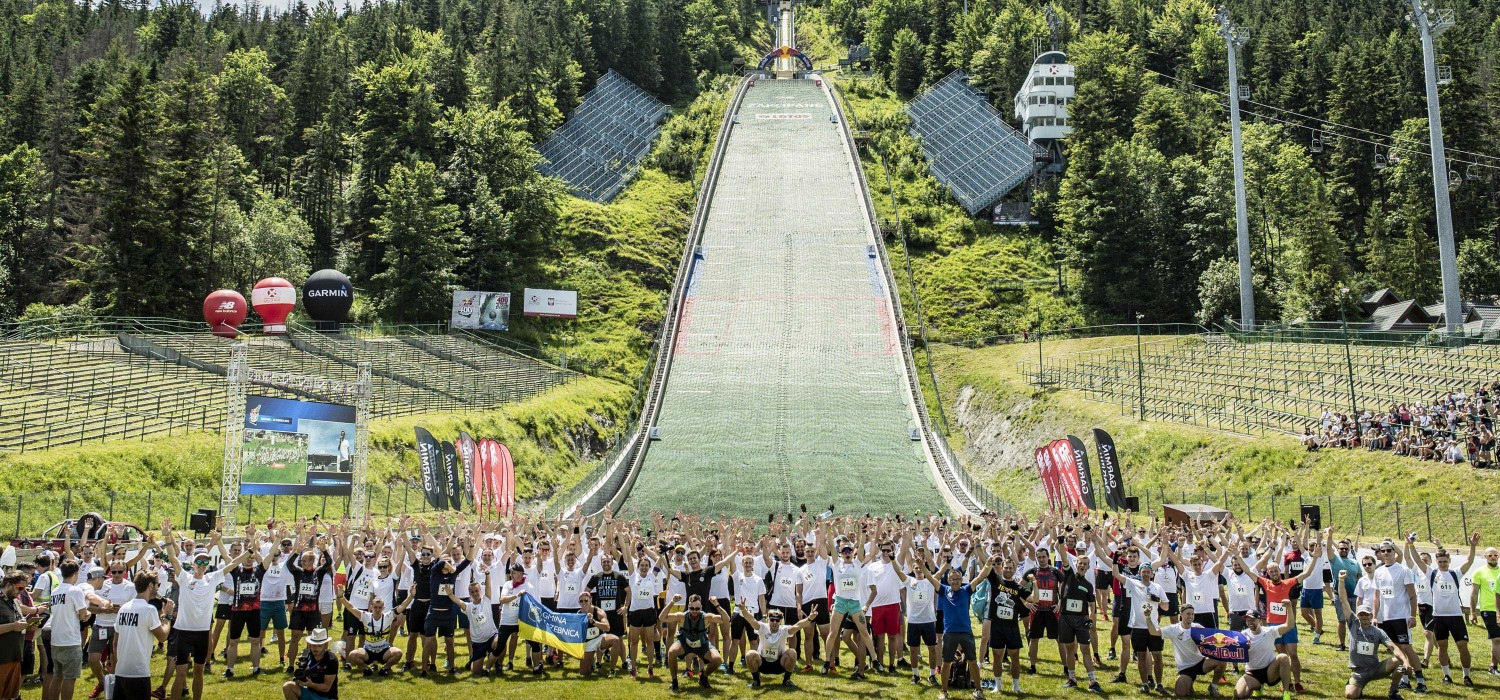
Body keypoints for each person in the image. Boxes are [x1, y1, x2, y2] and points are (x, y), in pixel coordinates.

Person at [164, 527, 245, 700]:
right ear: (193, 564)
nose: (201, 565)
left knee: (199, 671)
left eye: (204, 563)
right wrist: (166, 535)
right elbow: (172, 558)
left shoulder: (213, 578)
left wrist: (251, 549)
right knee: (181, 672)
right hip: (184, 632)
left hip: (202, 633)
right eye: (198, 562)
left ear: (207, 565)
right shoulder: (185, 577)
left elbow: (233, 564)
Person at [1410, 534, 1479, 685]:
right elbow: (1416, 560)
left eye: (1445, 561)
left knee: (1462, 646)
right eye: (1440, 562)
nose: (1442, 564)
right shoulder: (1432, 573)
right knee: (1442, 646)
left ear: (1449, 561)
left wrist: (1473, 546)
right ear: (1436, 562)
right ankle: (1446, 675)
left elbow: (1469, 561)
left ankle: (1466, 676)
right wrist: (1411, 545)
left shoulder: (1455, 573)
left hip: (1455, 616)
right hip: (1439, 617)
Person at [1337, 584, 1414, 700]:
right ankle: (1357, 686)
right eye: (1361, 614)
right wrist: (1341, 580)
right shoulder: (1353, 624)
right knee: (1350, 695)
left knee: (1398, 661)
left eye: (1366, 614)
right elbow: (1343, 601)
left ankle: (1393, 691)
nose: (1363, 617)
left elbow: (1393, 647)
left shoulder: (1378, 632)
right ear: (1357, 616)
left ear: (1371, 615)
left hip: (1375, 668)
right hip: (1359, 671)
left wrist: (1406, 662)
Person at [926, 557, 988, 700]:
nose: (955, 581)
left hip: (966, 632)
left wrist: (988, 564)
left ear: (961, 579)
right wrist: (920, 564)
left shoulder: (967, 590)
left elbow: (980, 577)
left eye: (957, 579)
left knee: (972, 661)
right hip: (949, 633)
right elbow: (929, 577)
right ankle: (944, 691)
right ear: (948, 580)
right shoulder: (943, 590)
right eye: (952, 579)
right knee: (946, 663)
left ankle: (978, 690)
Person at [1371, 538, 1424, 692]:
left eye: (1389, 550)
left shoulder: (1403, 570)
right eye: (1383, 551)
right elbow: (1377, 596)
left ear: (1394, 552)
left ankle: (1421, 681)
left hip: (1401, 616)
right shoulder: (1378, 572)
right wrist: (1375, 616)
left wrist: (1413, 616)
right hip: (1385, 617)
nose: (1386, 553)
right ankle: (1405, 680)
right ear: (1380, 554)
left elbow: (1413, 596)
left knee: (1407, 648)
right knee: (1396, 650)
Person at [111, 573, 170, 700]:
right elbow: (162, 637)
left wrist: (118, 665)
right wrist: (167, 616)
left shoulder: (124, 608)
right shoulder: (149, 609)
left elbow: (115, 643)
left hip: (121, 672)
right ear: (150, 586)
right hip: (138, 674)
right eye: (157, 585)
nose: (158, 588)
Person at [1151, 602, 1226, 697]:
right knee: (1180, 694)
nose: (1190, 616)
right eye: (1188, 613)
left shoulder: (1197, 627)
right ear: (1181, 614)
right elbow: (1154, 632)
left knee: (1222, 660)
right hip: (1185, 668)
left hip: (1201, 663)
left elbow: (1212, 639)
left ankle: (1213, 686)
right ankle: (1189, 682)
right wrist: (1148, 617)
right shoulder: (1173, 629)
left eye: (1192, 614)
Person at [333, 582, 400, 676]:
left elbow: (402, 607)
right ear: (371, 608)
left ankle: (385, 668)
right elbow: (351, 607)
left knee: (398, 653)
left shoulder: (388, 616)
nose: (377, 609)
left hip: (384, 651)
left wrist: (412, 596)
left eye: (380, 608)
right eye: (375, 607)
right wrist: (341, 597)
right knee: (352, 655)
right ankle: (366, 668)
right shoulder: (365, 616)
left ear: (383, 608)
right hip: (368, 651)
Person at [742, 606, 818, 688]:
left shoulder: (784, 630)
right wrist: (743, 610)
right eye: (772, 620)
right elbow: (751, 620)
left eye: (777, 620)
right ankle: (756, 681)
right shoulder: (762, 627)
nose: (774, 622)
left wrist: (809, 618)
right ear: (768, 620)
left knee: (792, 653)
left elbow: (798, 625)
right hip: (762, 664)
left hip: (779, 664)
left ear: (780, 621)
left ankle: (786, 681)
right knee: (750, 654)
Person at [662, 594, 724, 691]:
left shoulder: (706, 617)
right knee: (671, 652)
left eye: (697, 608)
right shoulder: (682, 616)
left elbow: (726, 619)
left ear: (701, 608)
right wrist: (672, 602)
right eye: (692, 608)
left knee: (717, 660)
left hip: (702, 644)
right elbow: (662, 617)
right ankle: (674, 681)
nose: (694, 611)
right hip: (685, 643)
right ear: (688, 607)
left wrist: (716, 605)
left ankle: (704, 677)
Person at [1233, 608, 1297, 700]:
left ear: (1259, 620)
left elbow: (1289, 625)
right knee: (1239, 695)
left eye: (1253, 620)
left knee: (1283, 657)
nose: (1250, 622)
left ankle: (1286, 692)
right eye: (1248, 620)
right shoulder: (1243, 635)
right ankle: (1258, 687)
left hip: (1270, 670)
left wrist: (1289, 607)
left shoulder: (1269, 631)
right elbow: (1236, 654)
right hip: (1252, 673)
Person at [2, 571, 46, 700]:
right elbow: (13, 625)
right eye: (20, 588)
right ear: (9, 584)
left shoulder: (14, 601)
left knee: (11, 696)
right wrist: (13, 626)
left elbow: (18, 623)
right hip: (2, 658)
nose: (21, 592)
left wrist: (27, 626)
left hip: (15, 656)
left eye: (24, 589)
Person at [280, 628, 337, 700]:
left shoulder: (331, 659)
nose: (316, 648)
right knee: (288, 686)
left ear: (325, 645)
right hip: (310, 692)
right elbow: (301, 674)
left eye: (319, 646)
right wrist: (299, 680)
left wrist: (311, 685)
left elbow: (326, 688)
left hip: (326, 697)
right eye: (314, 645)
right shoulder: (306, 655)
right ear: (310, 644)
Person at [576, 591, 624, 676]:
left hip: (599, 638)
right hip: (588, 643)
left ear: (591, 600)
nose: (584, 603)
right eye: (581, 601)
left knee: (615, 640)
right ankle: (592, 661)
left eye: (586, 600)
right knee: (584, 673)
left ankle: (612, 670)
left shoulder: (598, 612)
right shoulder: (578, 614)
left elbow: (607, 627)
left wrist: (593, 621)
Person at [1469, 546, 1500, 675]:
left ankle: (1493, 666)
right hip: (1488, 609)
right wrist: (1472, 612)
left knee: (1496, 639)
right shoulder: (1479, 572)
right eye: (1490, 555)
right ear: (1485, 557)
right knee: (1497, 639)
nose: (1493, 558)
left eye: (1495, 555)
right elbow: (1474, 593)